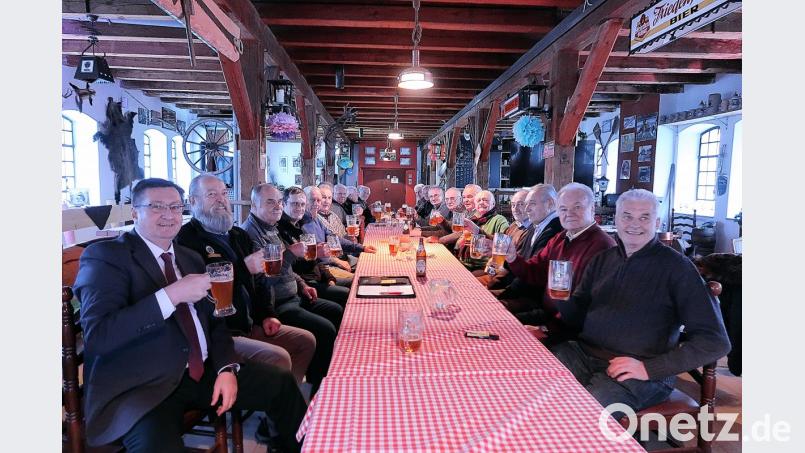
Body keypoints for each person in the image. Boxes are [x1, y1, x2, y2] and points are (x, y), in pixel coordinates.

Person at [74, 178, 306, 453]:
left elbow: (216, 321)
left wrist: (226, 367)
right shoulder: (107, 256)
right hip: (144, 386)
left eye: (174, 207)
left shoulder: (188, 257)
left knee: (280, 383)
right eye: (157, 206)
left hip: (201, 371)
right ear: (135, 212)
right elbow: (99, 336)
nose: (169, 215)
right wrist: (171, 295)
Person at [551, 189, 730, 416]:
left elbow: (715, 342)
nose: (634, 224)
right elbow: (577, 320)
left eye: (644, 217)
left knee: (581, 416)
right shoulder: (602, 260)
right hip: (584, 356)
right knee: (534, 384)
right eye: (627, 216)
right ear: (614, 219)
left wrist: (649, 368)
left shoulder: (678, 268)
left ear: (656, 222)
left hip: (641, 372)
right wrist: (562, 298)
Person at [176, 174, 315, 386]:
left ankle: (287, 396)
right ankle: (279, 406)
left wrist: (267, 314)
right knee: (279, 357)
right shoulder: (186, 240)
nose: (221, 199)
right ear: (193, 201)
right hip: (221, 331)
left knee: (306, 341)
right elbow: (202, 292)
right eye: (211, 195)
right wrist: (244, 268)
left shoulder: (237, 235)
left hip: (251, 322)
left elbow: (259, 281)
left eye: (223, 193)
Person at [243, 183, 344, 393]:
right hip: (277, 306)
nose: (277, 206)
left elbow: (288, 271)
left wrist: (302, 285)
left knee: (335, 311)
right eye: (271, 201)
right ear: (254, 204)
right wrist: (290, 255)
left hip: (294, 295)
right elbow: (266, 279)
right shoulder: (249, 234)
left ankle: (325, 377)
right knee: (325, 329)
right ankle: (319, 388)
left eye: (279, 201)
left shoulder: (271, 229)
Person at [504, 182, 616, 337]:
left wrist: (546, 330)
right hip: (549, 315)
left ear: (592, 209)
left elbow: (587, 306)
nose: (569, 213)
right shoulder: (561, 238)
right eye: (563, 208)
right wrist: (512, 258)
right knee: (497, 322)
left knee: (506, 335)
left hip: (571, 330)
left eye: (577, 207)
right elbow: (535, 272)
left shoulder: (603, 246)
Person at [489, 184, 563, 306]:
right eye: (526, 204)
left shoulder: (555, 231)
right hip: (518, 291)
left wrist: (503, 295)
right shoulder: (537, 227)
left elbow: (535, 276)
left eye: (531, 203)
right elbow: (524, 265)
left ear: (550, 203)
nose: (527, 209)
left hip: (533, 300)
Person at [277, 187, 350, 307]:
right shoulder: (283, 228)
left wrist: (328, 277)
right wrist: (316, 253)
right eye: (295, 204)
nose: (300, 208)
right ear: (283, 204)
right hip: (304, 283)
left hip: (317, 276)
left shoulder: (299, 224)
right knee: (345, 296)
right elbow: (289, 266)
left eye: (302, 204)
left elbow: (316, 258)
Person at [475, 189, 531, 280]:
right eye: (513, 205)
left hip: (502, 279)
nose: (515, 208)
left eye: (520, 204)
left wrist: (489, 280)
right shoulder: (515, 225)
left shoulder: (530, 231)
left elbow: (512, 266)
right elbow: (499, 243)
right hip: (492, 271)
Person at [457, 190, 509, 270]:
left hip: (483, 267)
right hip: (465, 263)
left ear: (493, 203)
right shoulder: (473, 219)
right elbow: (459, 242)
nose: (481, 202)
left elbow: (504, 245)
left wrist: (490, 272)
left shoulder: (500, 220)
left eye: (485, 200)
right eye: (478, 200)